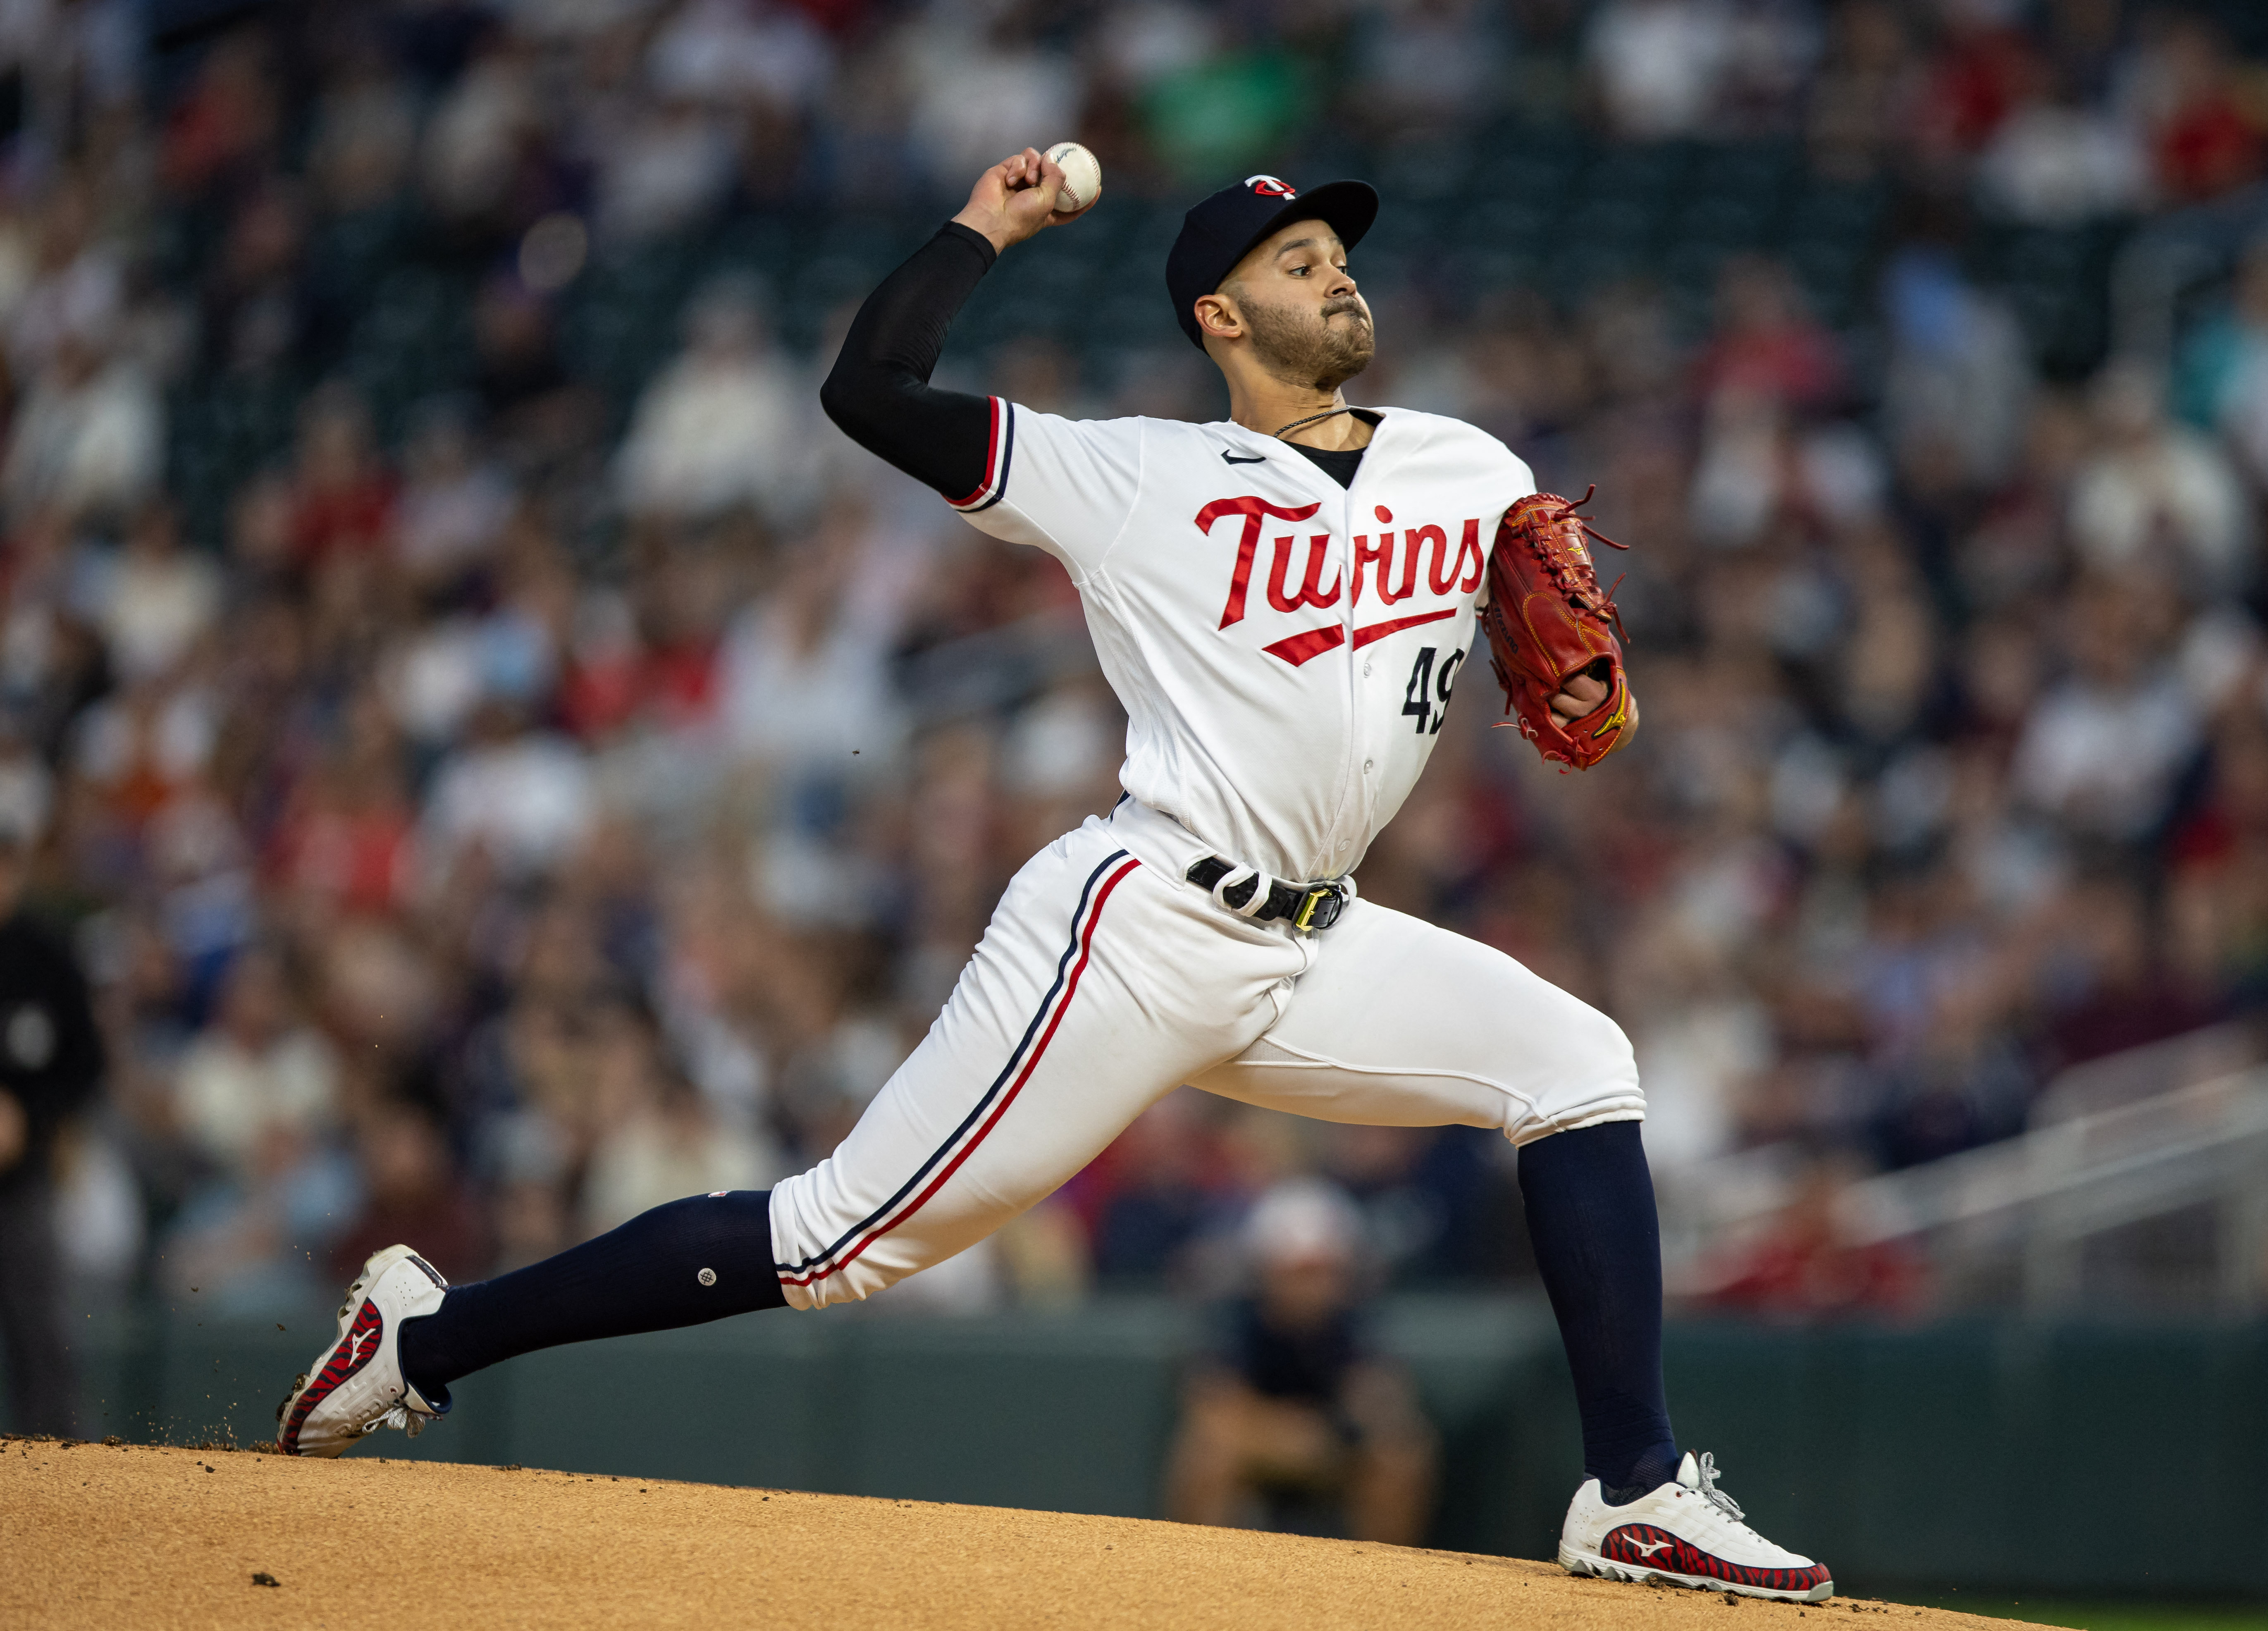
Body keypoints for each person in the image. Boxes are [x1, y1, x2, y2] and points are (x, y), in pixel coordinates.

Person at [272, 153, 1832, 1601]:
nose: (1340, 275)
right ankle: (427, 1332)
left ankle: (1635, 1485)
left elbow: (1544, 642)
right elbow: (868, 389)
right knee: (832, 1242)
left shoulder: (1468, 467)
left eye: (1340, 252)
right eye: (1300, 260)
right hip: (1137, 923)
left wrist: (1573, 689)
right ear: (1224, 317)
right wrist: (982, 230)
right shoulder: (1131, 474)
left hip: (1318, 938)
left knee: (1580, 1063)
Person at [1165, 1179, 1437, 1544]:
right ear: (1267, 1271)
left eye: (1326, 1271)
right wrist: (1286, 1437)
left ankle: (1388, 1580)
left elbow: (1384, 1404)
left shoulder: (1353, 1322)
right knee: (1206, 1456)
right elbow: (1213, 1409)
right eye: (1300, 1272)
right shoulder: (1238, 1320)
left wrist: (1352, 1425)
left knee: (1402, 1458)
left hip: (1334, 1453)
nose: (1315, 1286)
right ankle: (1193, 1572)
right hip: (1260, 1453)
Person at [0, 807, 105, 1436]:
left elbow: (86, 1062)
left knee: (39, 1325)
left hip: (20, 1179)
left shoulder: (44, 954)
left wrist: (29, 1120)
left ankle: (58, 1468)